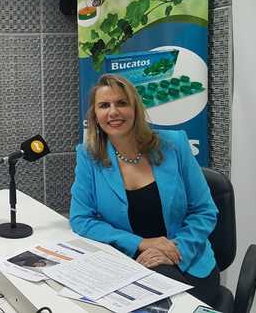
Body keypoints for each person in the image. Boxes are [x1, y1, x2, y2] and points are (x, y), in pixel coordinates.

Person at [69, 74, 219, 304]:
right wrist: (140, 243)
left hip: (187, 261)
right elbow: (81, 219)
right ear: (95, 115)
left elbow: (204, 211)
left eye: (122, 103)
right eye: (104, 105)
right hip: (131, 264)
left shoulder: (174, 145)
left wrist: (176, 251)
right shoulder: (89, 156)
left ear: (136, 108)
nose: (113, 112)